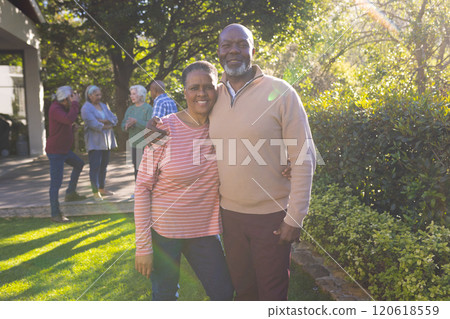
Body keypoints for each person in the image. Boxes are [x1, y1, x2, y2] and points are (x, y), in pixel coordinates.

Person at [147, 24, 316, 301]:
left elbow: (304, 156)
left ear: (253, 49)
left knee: (272, 294)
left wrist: (295, 216)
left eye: (241, 44)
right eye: (227, 45)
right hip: (228, 217)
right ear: (219, 51)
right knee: (243, 291)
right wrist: (154, 126)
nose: (234, 50)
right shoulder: (215, 96)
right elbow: (190, 120)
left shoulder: (282, 92)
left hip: (271, 217)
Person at [134, 61, 234, 301]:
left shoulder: (223, 127)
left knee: (223, 293)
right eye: (194, 87)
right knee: (165, 297)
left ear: (217, 90)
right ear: (185, 91)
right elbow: (142, 188)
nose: (201, 93)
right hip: (164, 234)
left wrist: (285, 163)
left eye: (208, 87)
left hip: (205, 232)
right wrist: (143, 247)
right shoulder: (164, 129)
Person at [46, 86, 86, 223]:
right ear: (64, 99)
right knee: (55, 183)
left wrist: (71, 127)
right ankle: (55, 214)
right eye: (71, 98)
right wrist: (75, 104)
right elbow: (68, 119)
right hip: (56, 151)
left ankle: (70, 193)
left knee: (79, 164)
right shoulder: (55, 108)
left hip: (63, 150)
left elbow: (66, 122)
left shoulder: (61, 108)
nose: (73, 99)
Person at [81, 85, 118, 201]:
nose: (99, 97)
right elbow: (92, 123)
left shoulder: (103, 106)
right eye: (97, 95)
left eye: (100, 95)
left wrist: (104, 121)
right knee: (95, 166)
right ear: (89, 95)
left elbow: (114, 119)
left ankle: (102, 188)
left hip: (106, 141)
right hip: (94, 142)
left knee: (104, 165)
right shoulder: (86, 108)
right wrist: (105, 124)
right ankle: (95, 191)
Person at [122, 85, 153, 178]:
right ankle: (138, 192)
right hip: (133, 144)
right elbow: (122, 126)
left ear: (141, 95)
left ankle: (147, 192)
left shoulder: (148, 108)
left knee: (146, 171)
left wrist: (136, 121)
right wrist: (126, 126)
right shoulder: (130, 109)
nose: (131, 96)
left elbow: (151, 126)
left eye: (134, 94)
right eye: (131, 94)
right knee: (137, 170)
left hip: (145, 144)